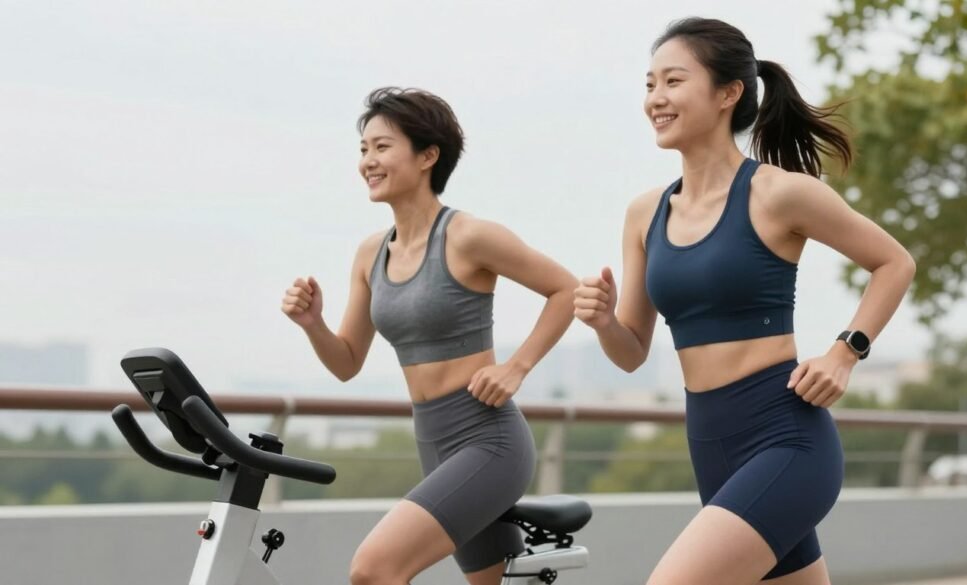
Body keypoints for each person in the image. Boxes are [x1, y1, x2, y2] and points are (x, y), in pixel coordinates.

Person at [573, 17, 916, 585]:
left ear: (728, 93)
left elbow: (894, 262)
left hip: (787, 439)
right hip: (710, 447)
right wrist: (606, 321)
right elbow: (631, 353)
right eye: (650, 84)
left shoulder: (779, 193)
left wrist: (844, 352)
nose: (656, 98)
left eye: (673, 81)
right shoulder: (644, 214)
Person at [282, 87, 577, 585]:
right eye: (364, 149)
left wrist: (516, 366)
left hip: (489, 441)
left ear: (428, 156)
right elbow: (347, 362)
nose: (368, 161)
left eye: (382, 147)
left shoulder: (467, 236)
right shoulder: (370, 254)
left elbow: (566, 290)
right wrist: (313, 325)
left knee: (374, 570)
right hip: (432, 441)